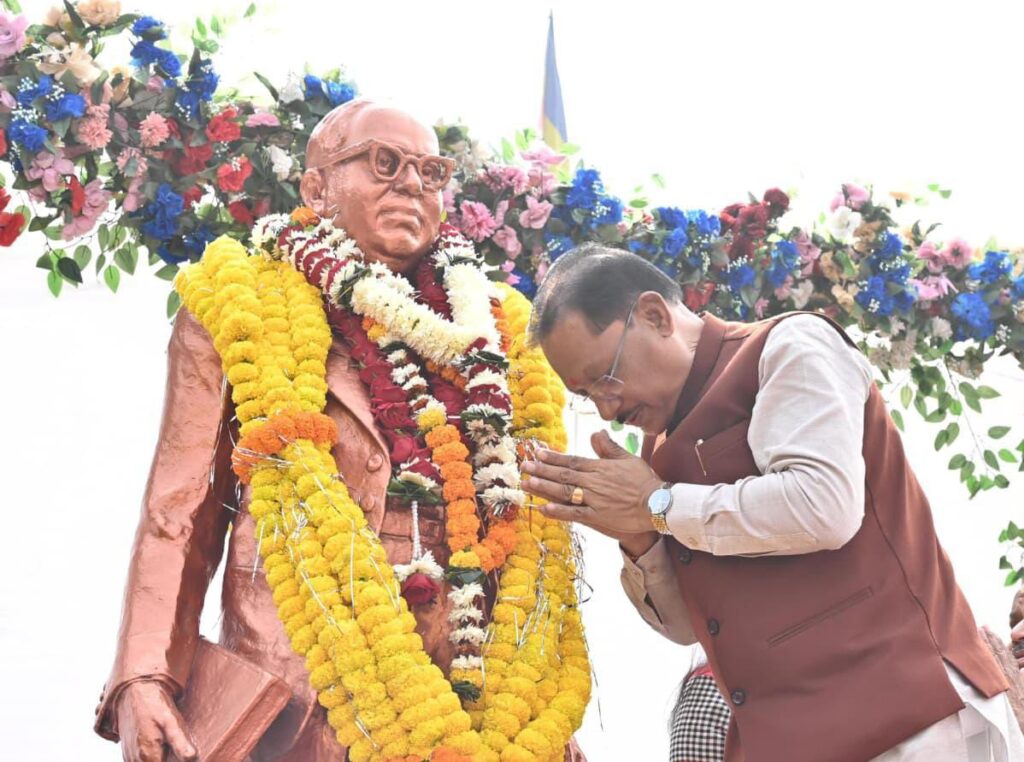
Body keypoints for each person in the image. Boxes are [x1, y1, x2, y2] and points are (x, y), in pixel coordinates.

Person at [94, 101, 584, 761]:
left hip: (478, 706)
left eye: (431, 172)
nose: (411, 184)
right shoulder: (241, 304)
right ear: (316, 188)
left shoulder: (495, 331)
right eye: (384, 163)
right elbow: (180, 508)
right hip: (300, 695)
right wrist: (144, 674)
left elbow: (533, 531)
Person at [521, 243, 1024, 761]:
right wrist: (638, 536)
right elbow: (689, 628)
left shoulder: (789, 345)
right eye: (586, 396)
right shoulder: (656, 452)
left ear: (654, 316)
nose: (607, 409)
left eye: (605, 377)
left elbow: (823, 507)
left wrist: (658, 504)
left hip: (911, 716)